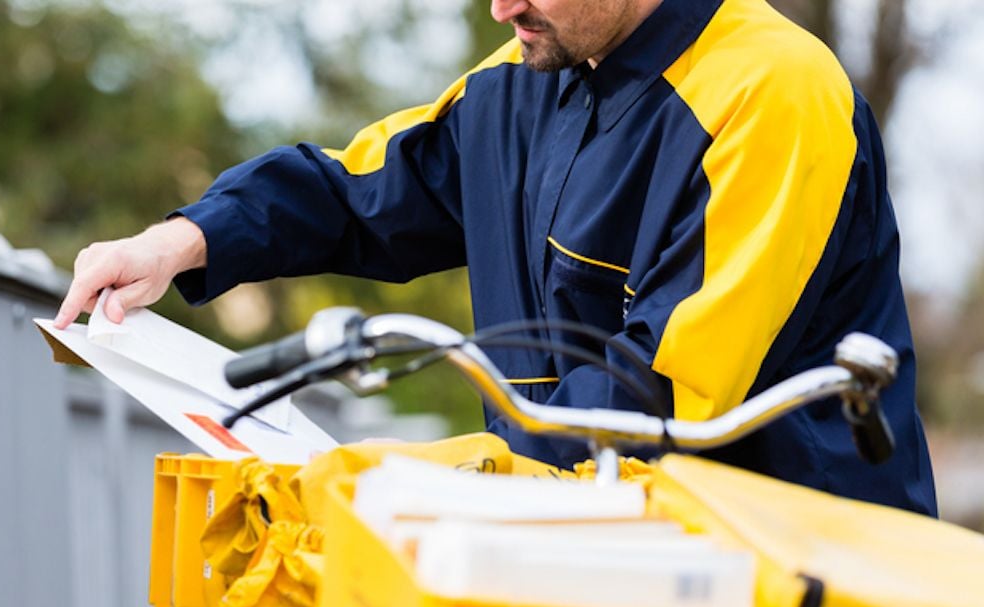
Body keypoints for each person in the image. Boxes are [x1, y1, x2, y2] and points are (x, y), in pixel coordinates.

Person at [56, 0, 937, 515]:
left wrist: (425, 482)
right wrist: (182, 240)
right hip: (590, 565)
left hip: (801, 594)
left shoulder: (777, 96)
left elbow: (655, 399)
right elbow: (359, 191)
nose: (500, 6)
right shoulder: (526, 78)